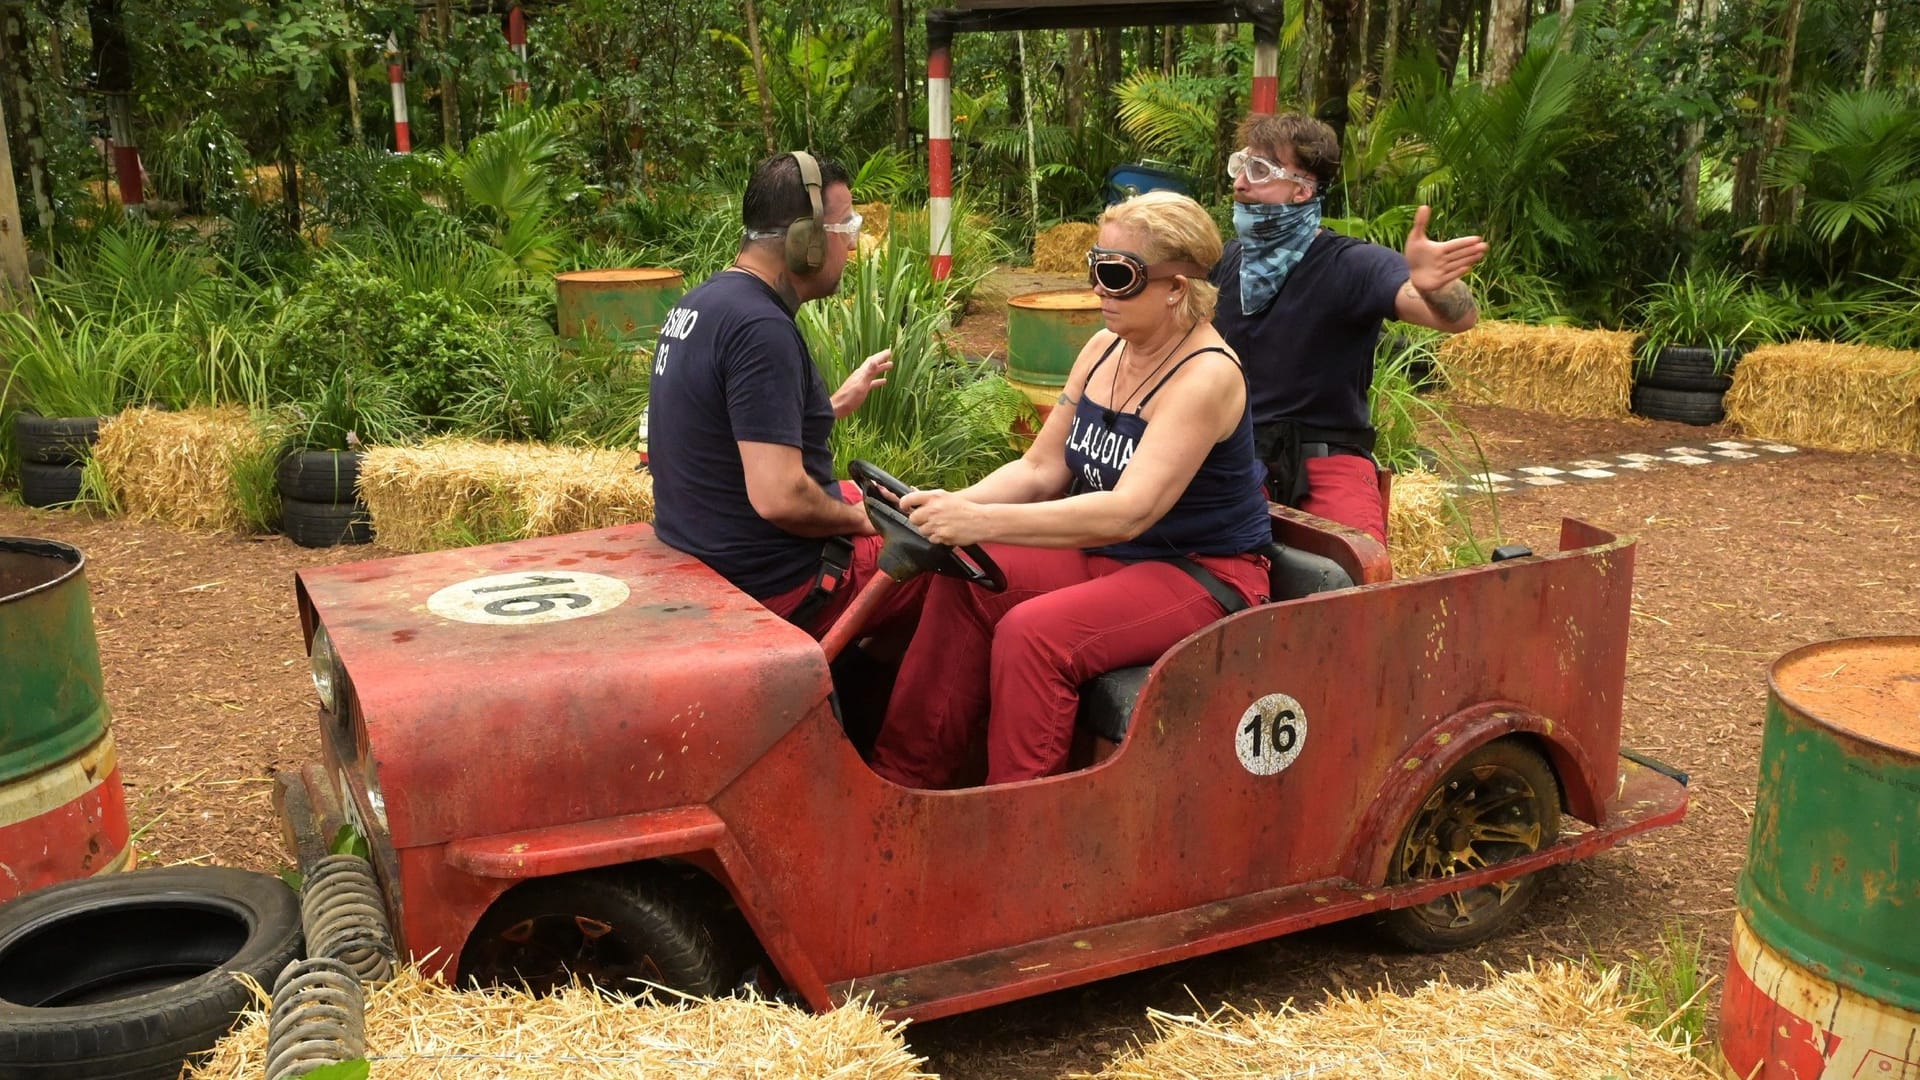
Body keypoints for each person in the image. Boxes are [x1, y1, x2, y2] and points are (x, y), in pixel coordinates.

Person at [869, 191, 1273, 790]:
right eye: (1095, 268)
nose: (1099, 290)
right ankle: (906, 783)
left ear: (1176, 288)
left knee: (1034, 637)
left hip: (1197, 571)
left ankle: (1020, 822)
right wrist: (949, 505)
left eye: (1117, 275)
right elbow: (1039, 469)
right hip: (1111, 558)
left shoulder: (1206, 376)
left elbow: (1128, 512)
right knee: (962, 582)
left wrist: (979, 521)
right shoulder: (1103, 349)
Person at [645, 151, 918, 637]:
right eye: (845, 230)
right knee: (943, 573)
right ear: (805, 242)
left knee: (888, 505)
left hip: (706, 548)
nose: (851, 248)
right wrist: (858, 520)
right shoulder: (760, 329)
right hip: (774, 578)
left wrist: (828, 407)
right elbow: (780, 498)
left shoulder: (701, 304)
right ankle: (896, 714)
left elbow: (727, 435)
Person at [1213, 111, 1488, 547]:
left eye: (1259, 170)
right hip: (1234, 449)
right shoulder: (1228, 261)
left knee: (1355, 565)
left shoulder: (1351, 263)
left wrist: (1433, 286)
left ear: (1302, 189)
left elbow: (1458, 318)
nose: (1240, 184)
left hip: (1325, 456)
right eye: (1239, 166)